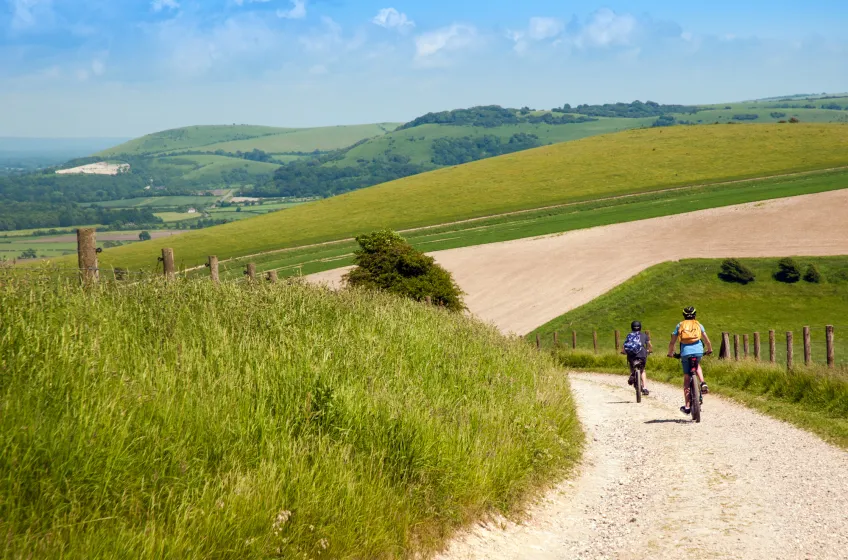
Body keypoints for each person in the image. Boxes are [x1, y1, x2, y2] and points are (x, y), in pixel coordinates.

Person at [667, 307, 713, 415]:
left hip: (685, 353)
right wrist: (709, 349)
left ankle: (687, 407)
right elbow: (707, 340)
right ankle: (703, 382)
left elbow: (672, 342)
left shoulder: (680, 325)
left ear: (683, 315)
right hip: (698, 352)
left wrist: (670, 353)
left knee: (687, 379)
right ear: (695, 315)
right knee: (697, 364)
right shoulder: (698, 325)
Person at [622, 320, 652, 395]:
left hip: (631, 356)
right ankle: (645, 388)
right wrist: (649, 350)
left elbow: (624, 346)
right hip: (642, 355)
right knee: (643, 370)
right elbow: (649, 345)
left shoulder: (629, 335)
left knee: (632, 367)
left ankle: (633, 374)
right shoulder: (644, 335)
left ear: (632, 327)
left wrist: (624, 352)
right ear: (640, 327)